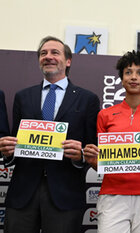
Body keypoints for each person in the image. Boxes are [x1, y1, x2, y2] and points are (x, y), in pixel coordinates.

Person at [0, 36, 100, 233]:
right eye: (43, 53)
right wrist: (7, 151)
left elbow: (91, 148)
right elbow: (15, 143)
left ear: (68, 61)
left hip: (65, 193)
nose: (48, 57)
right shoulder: (23, 96)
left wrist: (80, 154)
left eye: (55, 52)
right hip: (23, 192)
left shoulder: (87, 99)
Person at [83, 50, 140, 233]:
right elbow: (102, 164)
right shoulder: (105, 115)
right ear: (122, 79)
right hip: (113, 194)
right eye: (128, 72)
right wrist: (93, 161)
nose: (134, 77)